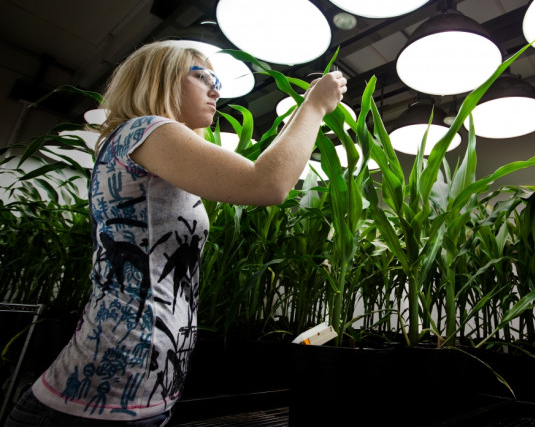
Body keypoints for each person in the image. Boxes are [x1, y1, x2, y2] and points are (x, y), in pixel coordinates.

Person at [6, 40, 347, 426]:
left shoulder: (144, 144)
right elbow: (267, 183)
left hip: (128, 393)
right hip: (98, 401)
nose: (216, 90)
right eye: (202, 76)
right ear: (160, 79)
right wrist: (315, 105)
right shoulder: (146, 129)